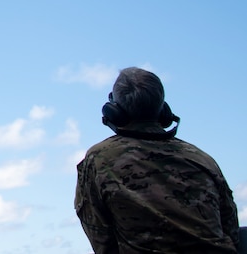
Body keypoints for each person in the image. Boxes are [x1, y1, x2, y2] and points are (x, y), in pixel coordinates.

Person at [75, 67, 240, 253]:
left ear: (114, 111)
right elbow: (231, 229)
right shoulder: (202, 159)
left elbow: (102, 240)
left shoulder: (99, 159)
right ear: (163, 110)